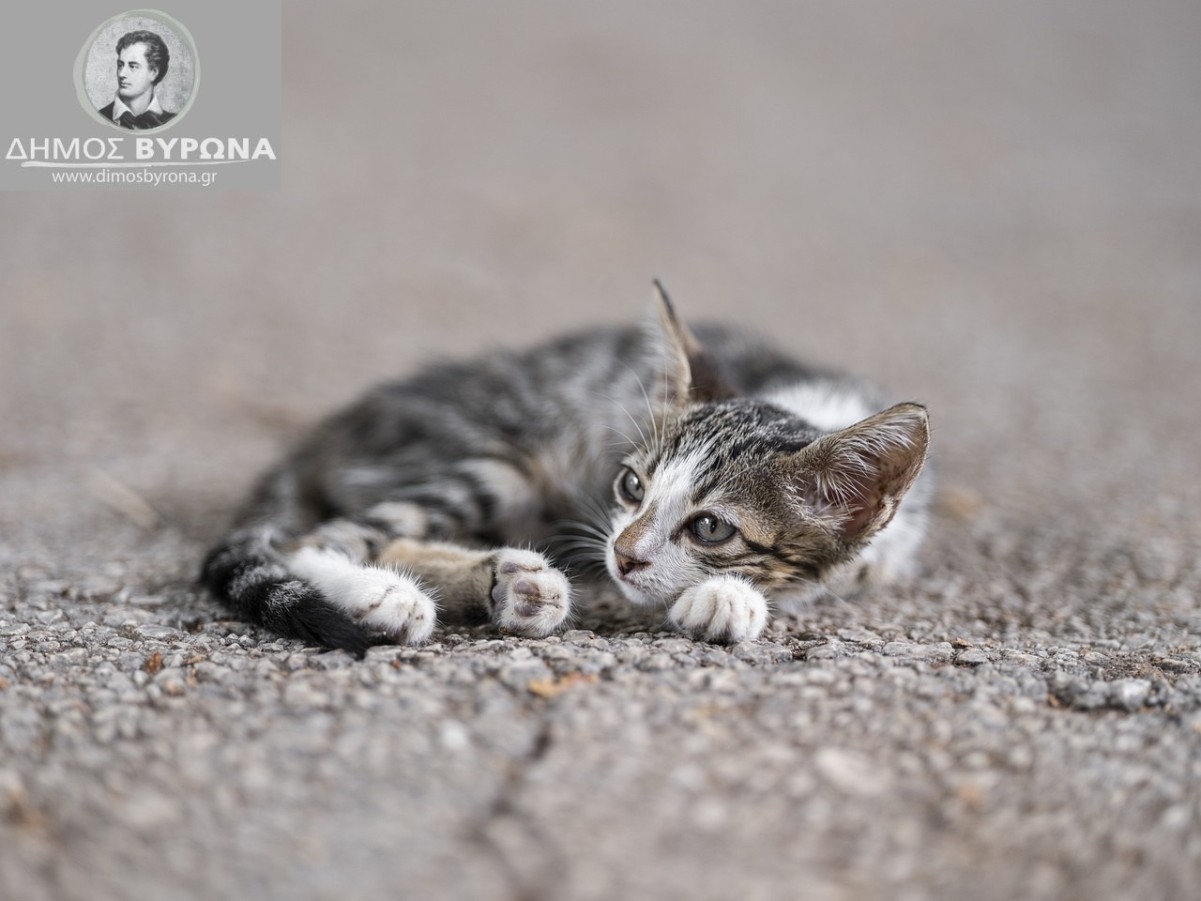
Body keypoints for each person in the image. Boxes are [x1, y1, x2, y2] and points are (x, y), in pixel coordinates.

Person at [98, 30, 176, 129]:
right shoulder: (99, 118)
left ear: (153, 72)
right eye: (120, 65)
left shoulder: (174, 122)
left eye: (133, 66)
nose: (122, 74)